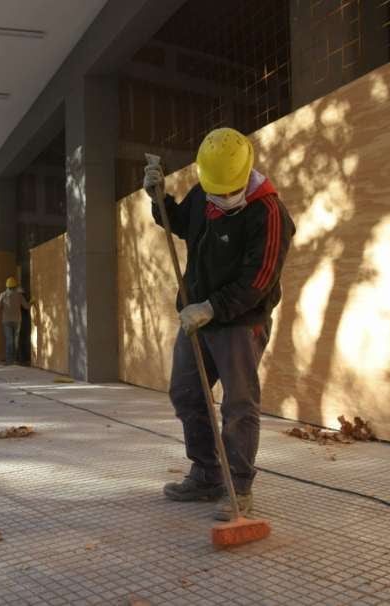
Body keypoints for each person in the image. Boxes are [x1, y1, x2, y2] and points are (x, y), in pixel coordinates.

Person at [143, 127, 295, 521]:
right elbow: (178, 221)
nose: (223, 198)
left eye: (229, 192)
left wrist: (211, 307)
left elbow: (258, 281)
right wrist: (157, 197)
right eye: (216, 192)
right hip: (198, 317)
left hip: (241, 323)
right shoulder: (205, 192)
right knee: (186, 393)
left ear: (246, 175)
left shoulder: (270, 213)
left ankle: (239, 487)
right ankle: (208, 473)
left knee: (239, 405)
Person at [0, 277, 32, 365]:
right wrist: (32, 302)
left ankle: (9, 360)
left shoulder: (3, 295)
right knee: (15, 340)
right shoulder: (19, 295)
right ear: (15, 286)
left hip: (6, 320)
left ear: (7, 286)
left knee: (9, 340)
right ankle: (16, 359)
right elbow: (26, 307)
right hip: (17, 321)